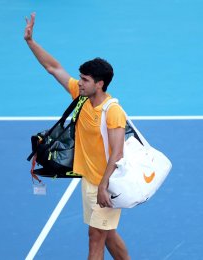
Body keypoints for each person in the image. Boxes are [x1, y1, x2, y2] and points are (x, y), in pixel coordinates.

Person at [24, 12, 130, 260]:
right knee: (108, 235)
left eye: (85, 79)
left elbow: (118, 152)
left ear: (100, 84)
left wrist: (104, 186)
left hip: (107, 184)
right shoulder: (81, 98)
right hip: (90, 180)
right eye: (80, 78)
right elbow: (53, 68)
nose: (79, 82)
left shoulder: (113, 112)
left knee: (95, 239)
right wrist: (31, 41)